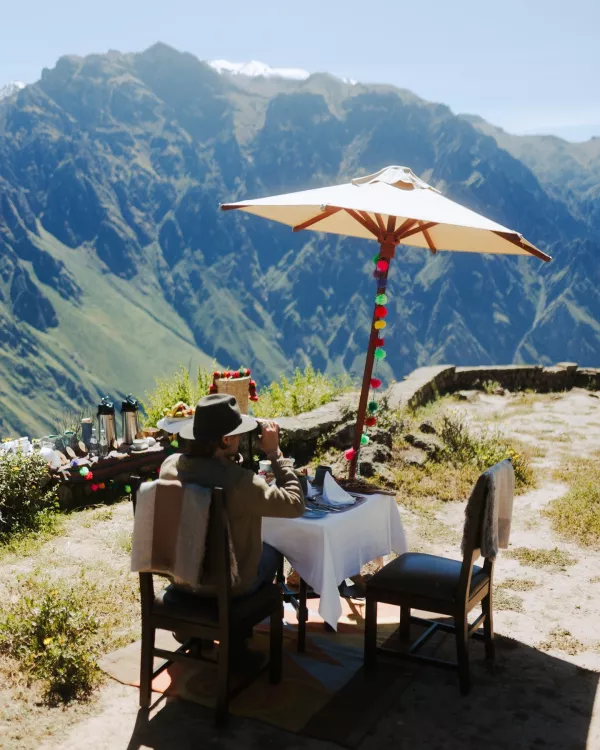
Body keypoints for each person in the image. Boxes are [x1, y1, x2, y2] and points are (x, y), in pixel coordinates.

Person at [159, 393, 305, 596]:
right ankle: (252, 617)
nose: (241, 439)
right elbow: (295, 504)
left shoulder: (169, 466)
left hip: (181, 580)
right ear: (226, 439)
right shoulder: (240, 482)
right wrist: (275, 454)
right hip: (229, 588)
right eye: (238, 435)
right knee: (273, 550)